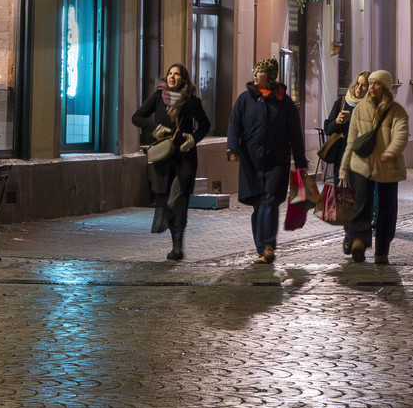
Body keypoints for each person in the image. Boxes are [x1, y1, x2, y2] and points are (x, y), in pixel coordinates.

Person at [227, 58, 307, 267]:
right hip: (250, 162)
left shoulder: (284, 102)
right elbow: (234, 124)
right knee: (258, 204)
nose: (254, 74)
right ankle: (260, 249)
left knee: (270, 201)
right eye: (254, 71)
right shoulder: (245, 99)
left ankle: (268, 246)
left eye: (259, 72)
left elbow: (295, 134)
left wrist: (301, 162)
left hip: (277, 161)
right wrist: (232, 149)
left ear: (269, 76)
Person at [131, 62, 210, 263]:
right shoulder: (159, 97)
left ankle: (177, 245)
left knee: (178, 199)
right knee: (166, 201)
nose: (172, 77)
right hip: (163, 156)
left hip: (184, 156)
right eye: (170, 74)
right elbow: (137, 117)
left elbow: (205, 125)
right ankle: (174, 240)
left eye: (177, 74)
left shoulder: (191, 101)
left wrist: (194, 138)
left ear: (184, 78)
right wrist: (153, 127)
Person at [341, 68, 410, 264]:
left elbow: (401, 134)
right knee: (361, 204)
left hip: (388, 167)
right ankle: (358, 243)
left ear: (386, 87)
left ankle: (382, 250)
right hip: (363, 164)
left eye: (376, 84)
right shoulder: (360, 109)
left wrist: (391, 151)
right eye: (370, 83)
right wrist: (344, 167)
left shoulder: (397, 111)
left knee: (387, 209)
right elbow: (351, 140)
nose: (371, 87)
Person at [321, 72, 369, 184]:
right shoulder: (342, 102)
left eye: (363, 85)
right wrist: (337, 122)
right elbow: (328, 129)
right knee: (341, 193)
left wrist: (351, 119)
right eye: (357, 83)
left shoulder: (369, 106)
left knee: (357, 194)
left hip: (360, 157)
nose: (359, 88)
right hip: (342, 156)